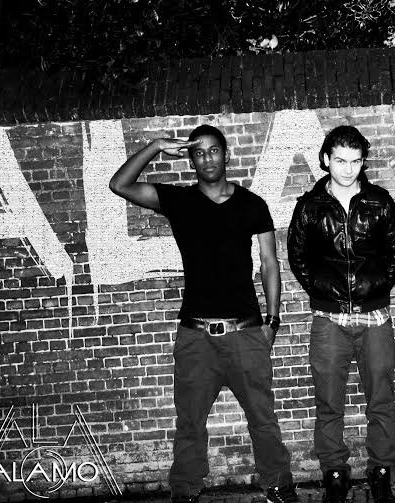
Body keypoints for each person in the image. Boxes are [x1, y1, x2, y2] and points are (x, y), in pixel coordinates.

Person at [109, 125, 297, 503]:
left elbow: (269, 263)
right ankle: (185, 490)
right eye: (199, 152)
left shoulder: (252, 204)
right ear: (191, 160)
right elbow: (120, 184)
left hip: (246, 332)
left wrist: (273, 321)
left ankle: (278, 485)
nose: (207, 158)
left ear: (226, 155)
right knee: (190, 423)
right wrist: (156, 146)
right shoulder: (179, 201)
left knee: (263, 419)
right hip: (195, 336)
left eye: (214, 150)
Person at [287, 125, 395, 503]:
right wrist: (323, 290)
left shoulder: (380, 202)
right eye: (340, 160)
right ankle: (335, 474)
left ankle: (382, 472)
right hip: (329, 321)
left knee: (381, 400)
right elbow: (298, 257)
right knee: (328, 402)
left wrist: (375, 288)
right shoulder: (310, 206)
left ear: (363, 162)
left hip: (375, 319)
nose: (348, 168)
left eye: (355, 161)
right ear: (326, 160)